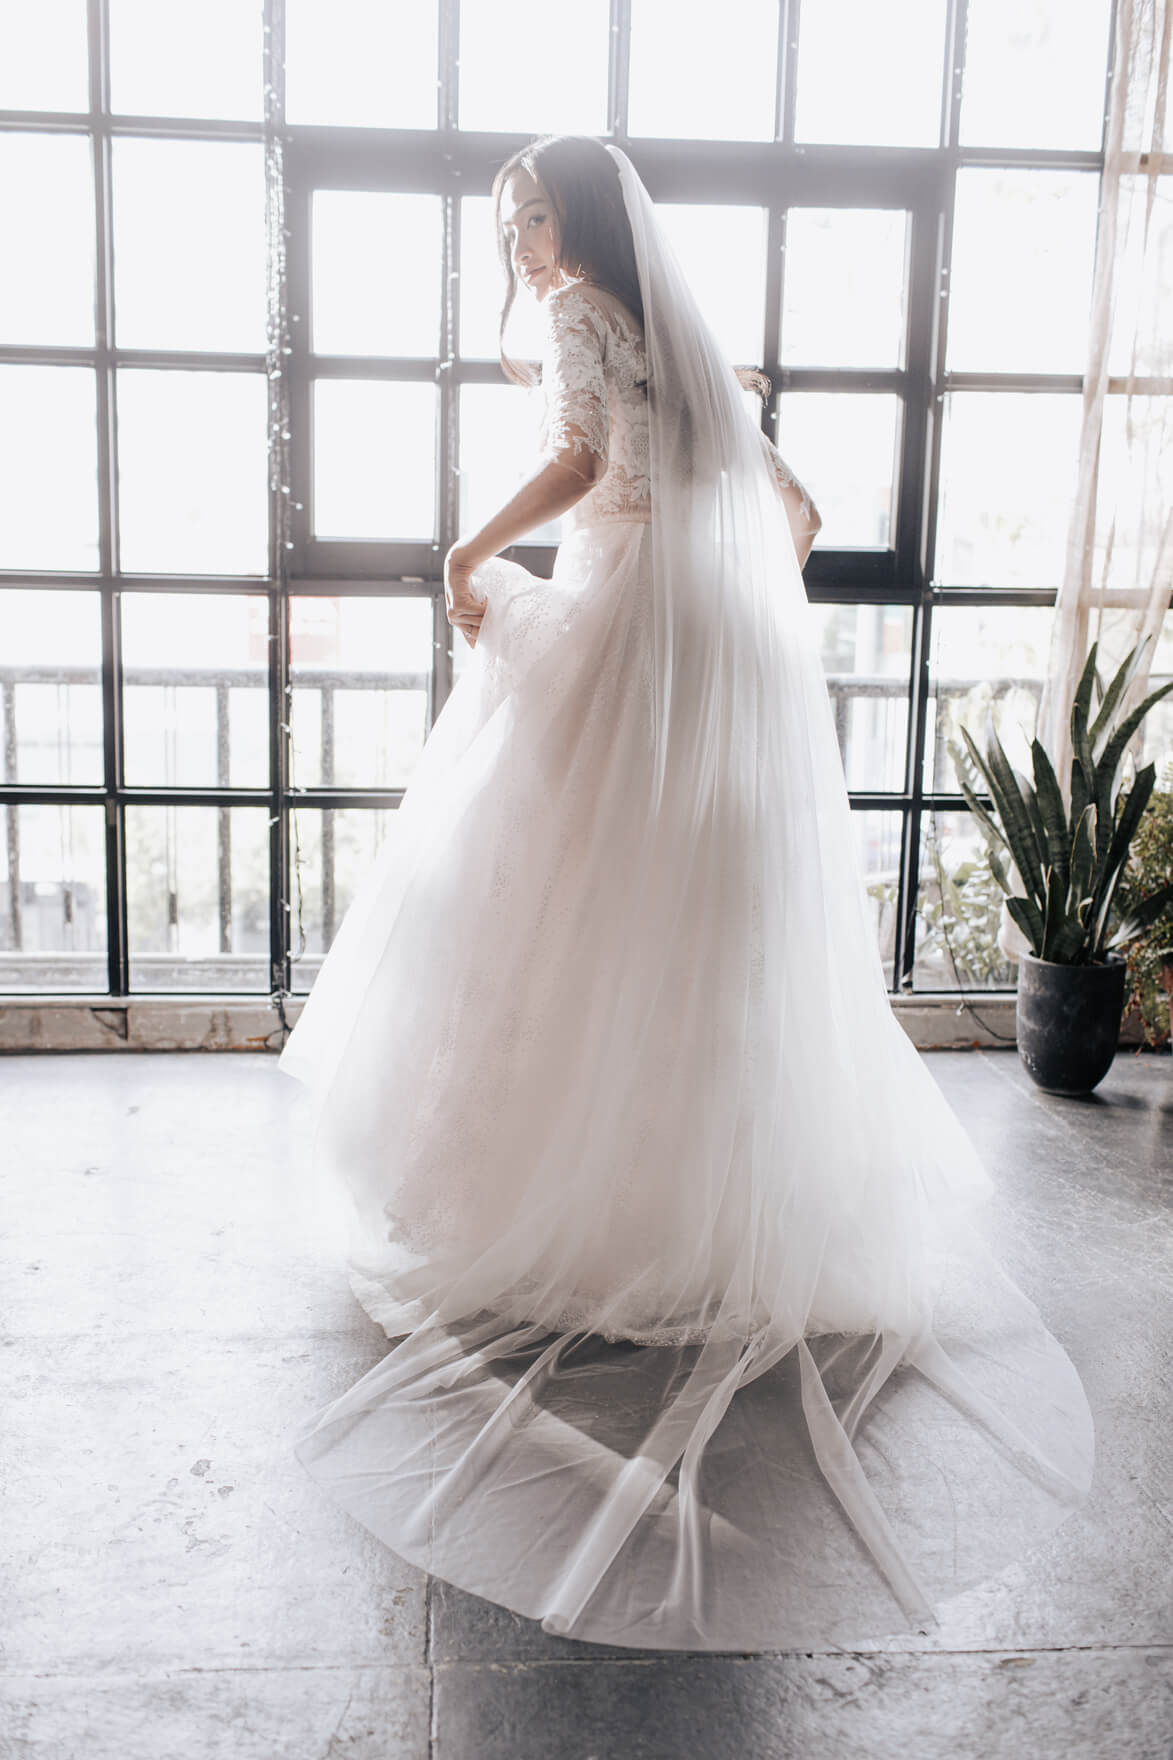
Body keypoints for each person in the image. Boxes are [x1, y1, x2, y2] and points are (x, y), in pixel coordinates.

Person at [276, 136, 1093, 1652]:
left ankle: (557, 1194)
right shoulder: (679, 333)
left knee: (543, 905)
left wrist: (472, 547)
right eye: (507, 218)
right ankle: (685, 1196)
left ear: (577, 218)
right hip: (696, 654)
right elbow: (793, 511)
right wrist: (716, 609)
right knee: (671, 931)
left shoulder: (585, 314)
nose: (521, 240)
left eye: (534, 213)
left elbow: (587, 461)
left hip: (613, 625)